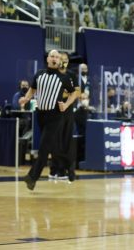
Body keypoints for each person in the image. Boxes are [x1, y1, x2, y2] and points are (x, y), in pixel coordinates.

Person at [19, 50, 79, 191]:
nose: (55, 59)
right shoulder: (39, 74)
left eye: (57, 57)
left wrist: (66, 104)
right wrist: (26, 98)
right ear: (48, 59)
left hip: (55, 116)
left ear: (59, 61)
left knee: (44, 148)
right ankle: (68, 167)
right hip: (41, 114)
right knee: (50, 146)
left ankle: (32, 177)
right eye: (52, 56)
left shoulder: (63, 77)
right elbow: (33, 89)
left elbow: (75, 92)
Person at [50, 52, 81, 181]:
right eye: (61, 59)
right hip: (54, 110)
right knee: (55, 141)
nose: (63, 61)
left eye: (66, 59)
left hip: (67, 111)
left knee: (66, 140)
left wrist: (67, 101)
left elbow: (77, 92)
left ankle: (65, 170)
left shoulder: (72, 75)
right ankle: (55, 169)